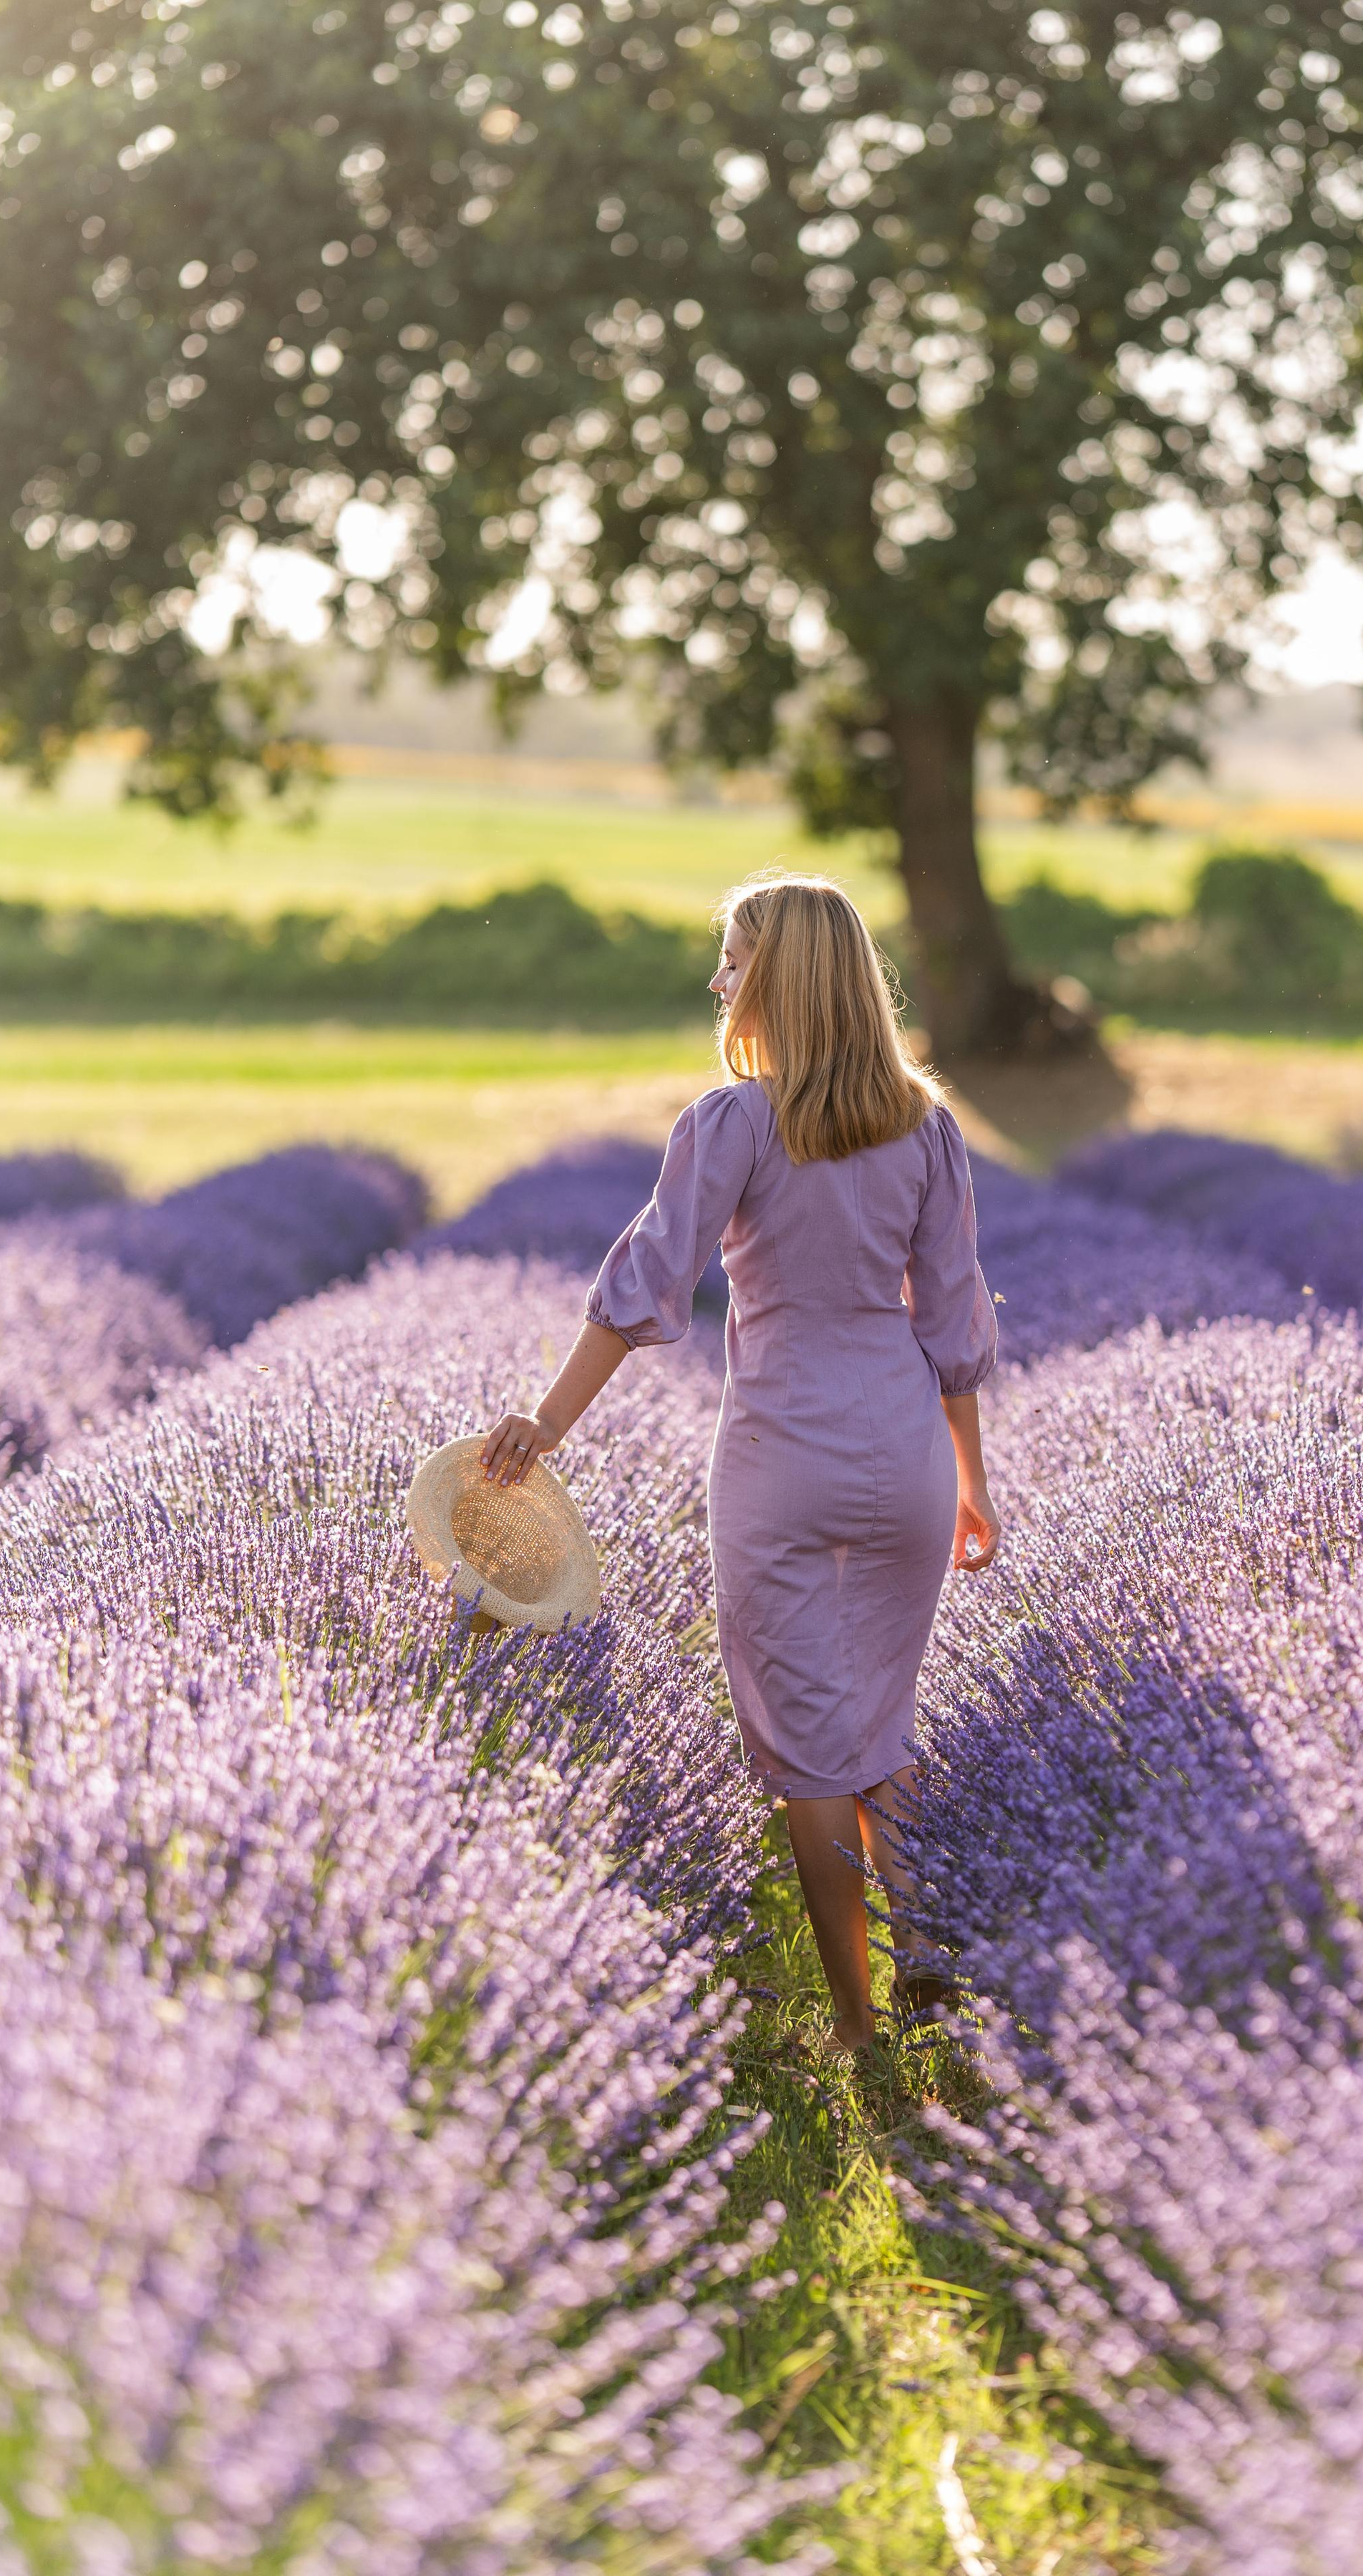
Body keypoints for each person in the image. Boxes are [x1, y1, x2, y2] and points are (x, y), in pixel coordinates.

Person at [480, 872, 1001, 2052]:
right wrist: (974, 1478)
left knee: (812, 1747)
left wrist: (549, 1423)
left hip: (782, 1457)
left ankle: (863, 2032)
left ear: (779, 979)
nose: (718, 982)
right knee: (885, 1723)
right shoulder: (928, 1127)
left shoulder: (733, 1124)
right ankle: (929, 1967)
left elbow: (645, 1284)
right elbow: (956, 1322)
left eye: (733, 960)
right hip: (907, 1454)